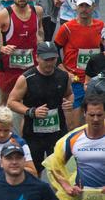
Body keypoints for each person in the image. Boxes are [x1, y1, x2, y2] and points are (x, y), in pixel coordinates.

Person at [46, 94, 105, 200]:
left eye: (99, 115)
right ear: (84, 114)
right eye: (91, 115)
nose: (95, 119)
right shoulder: (73, 139)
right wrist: (66, 186)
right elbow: (54, 164)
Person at [8, 41, 74, 169]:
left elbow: (69, 94)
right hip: (33, 135)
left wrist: (69, 103)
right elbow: (11, 102)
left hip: (57, 132)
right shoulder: (27, 78)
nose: (49, 63)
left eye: (52, 59)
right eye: (45, 59)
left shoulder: (63, 76)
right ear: (37, 58)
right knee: (33, 171)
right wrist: (31, 111)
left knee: (59, 170)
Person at [0, 0, 43, 103]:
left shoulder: (37, 11)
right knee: (4, 105)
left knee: (29, 106)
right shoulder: (4, 15)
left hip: (31, 67)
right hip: (8, 68)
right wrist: (0, 48)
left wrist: (41, 46)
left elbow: (39, 32)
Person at [54, 0, 104, 123]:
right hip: (75, 80)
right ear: (76, 7)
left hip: (96, 82)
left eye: (87, 6)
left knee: (96, 121)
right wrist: (65, 71)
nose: (84, 9)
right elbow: (54, 50)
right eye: (81, 6)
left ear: (93, 6)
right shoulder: (67, 28)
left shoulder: (101, 27)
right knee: (73, 125)